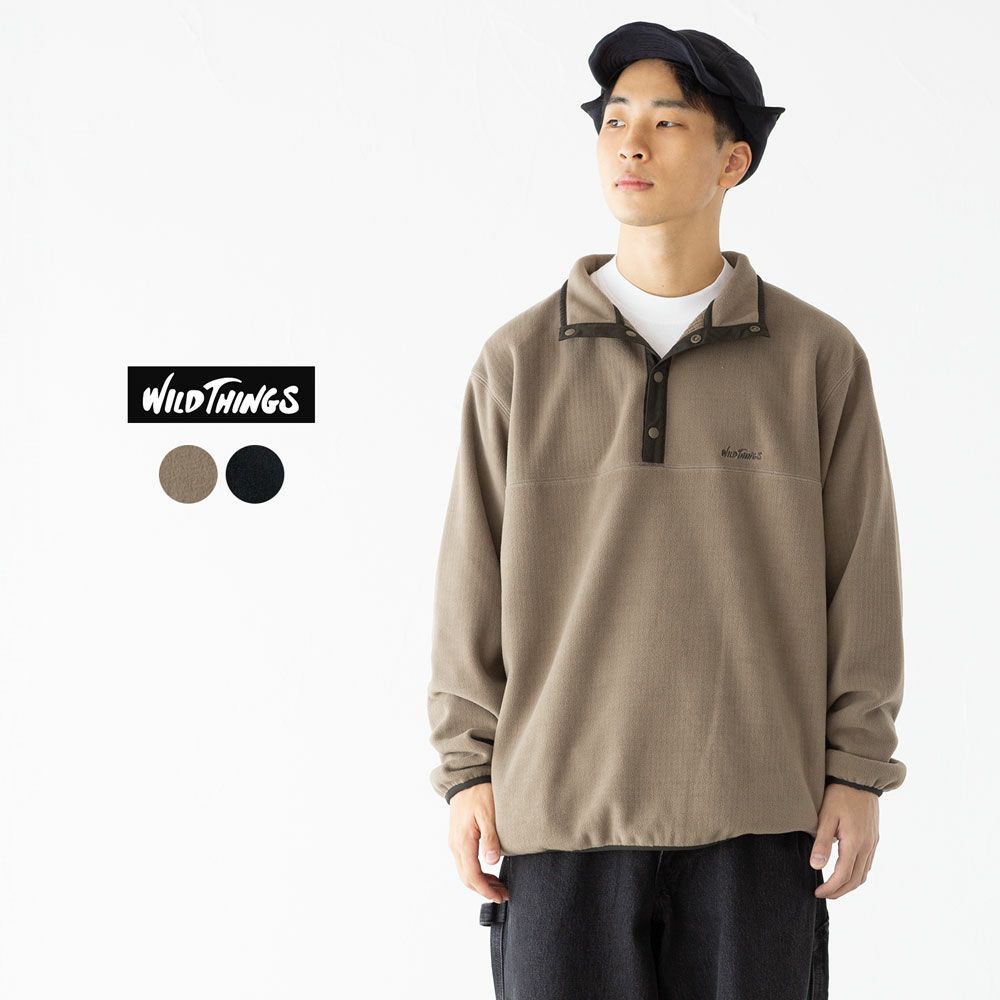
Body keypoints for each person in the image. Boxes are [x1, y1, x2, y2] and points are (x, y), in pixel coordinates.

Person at [426, 20, 906, 1000]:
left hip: (759, 822)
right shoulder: (518, 362)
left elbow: (862, 577)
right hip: (556, 821)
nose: (631, 145)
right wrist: (466, 770)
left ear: (733, 160)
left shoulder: (816, 359)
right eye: (614, 121)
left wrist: (857, 769)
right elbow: (469, 579)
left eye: (667, 122)